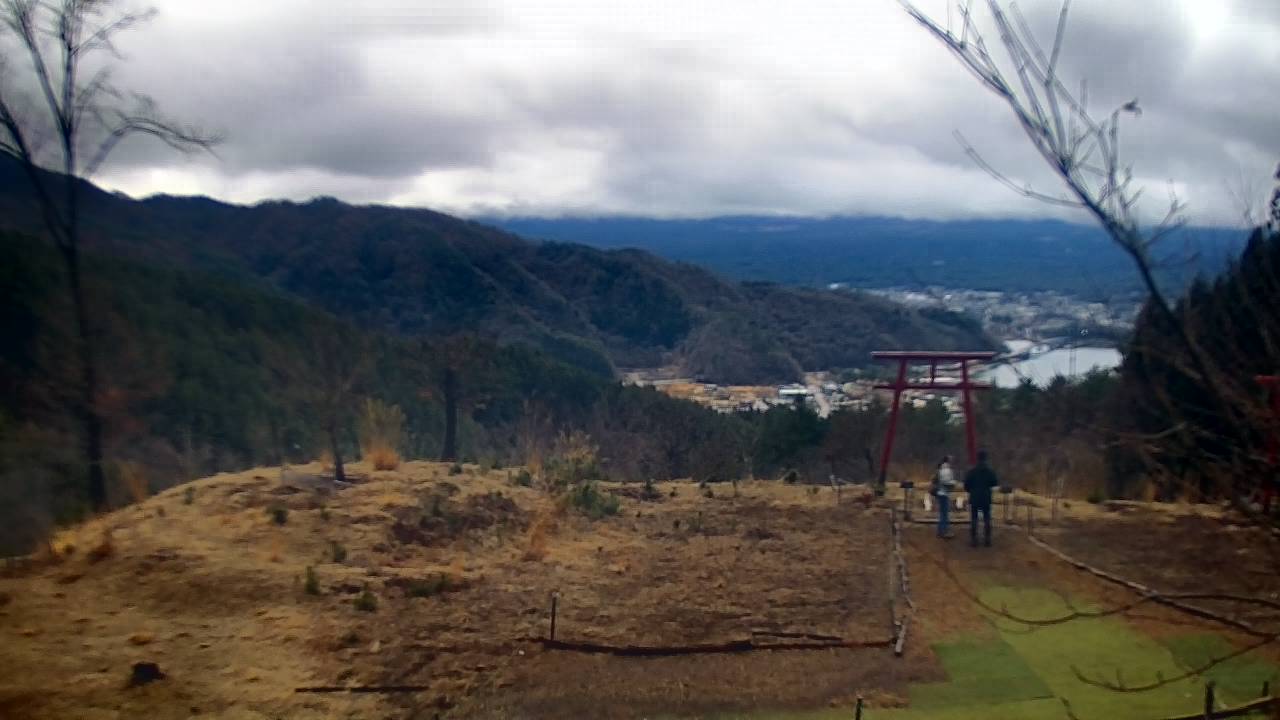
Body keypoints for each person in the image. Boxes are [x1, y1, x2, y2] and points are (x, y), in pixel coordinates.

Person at [965, 449, 1000, 547]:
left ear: (977, 458)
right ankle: (987, 540)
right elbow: (994, 483)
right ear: (986, 458)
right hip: (986, 497)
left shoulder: (972, 471)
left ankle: (974, 540)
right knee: (987, 518)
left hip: (975, 497)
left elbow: (966, 485)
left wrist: (971, 490)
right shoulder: (990, 471)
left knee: (974, 519)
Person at [933, 455, 956, 539]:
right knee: (945, 514)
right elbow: (946, 482)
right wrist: (953, 483)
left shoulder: (941, 469)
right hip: (944, 493)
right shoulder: (946, 470)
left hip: (940, 492)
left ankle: (940, 531)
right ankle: (944, 531)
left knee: (942, 513)